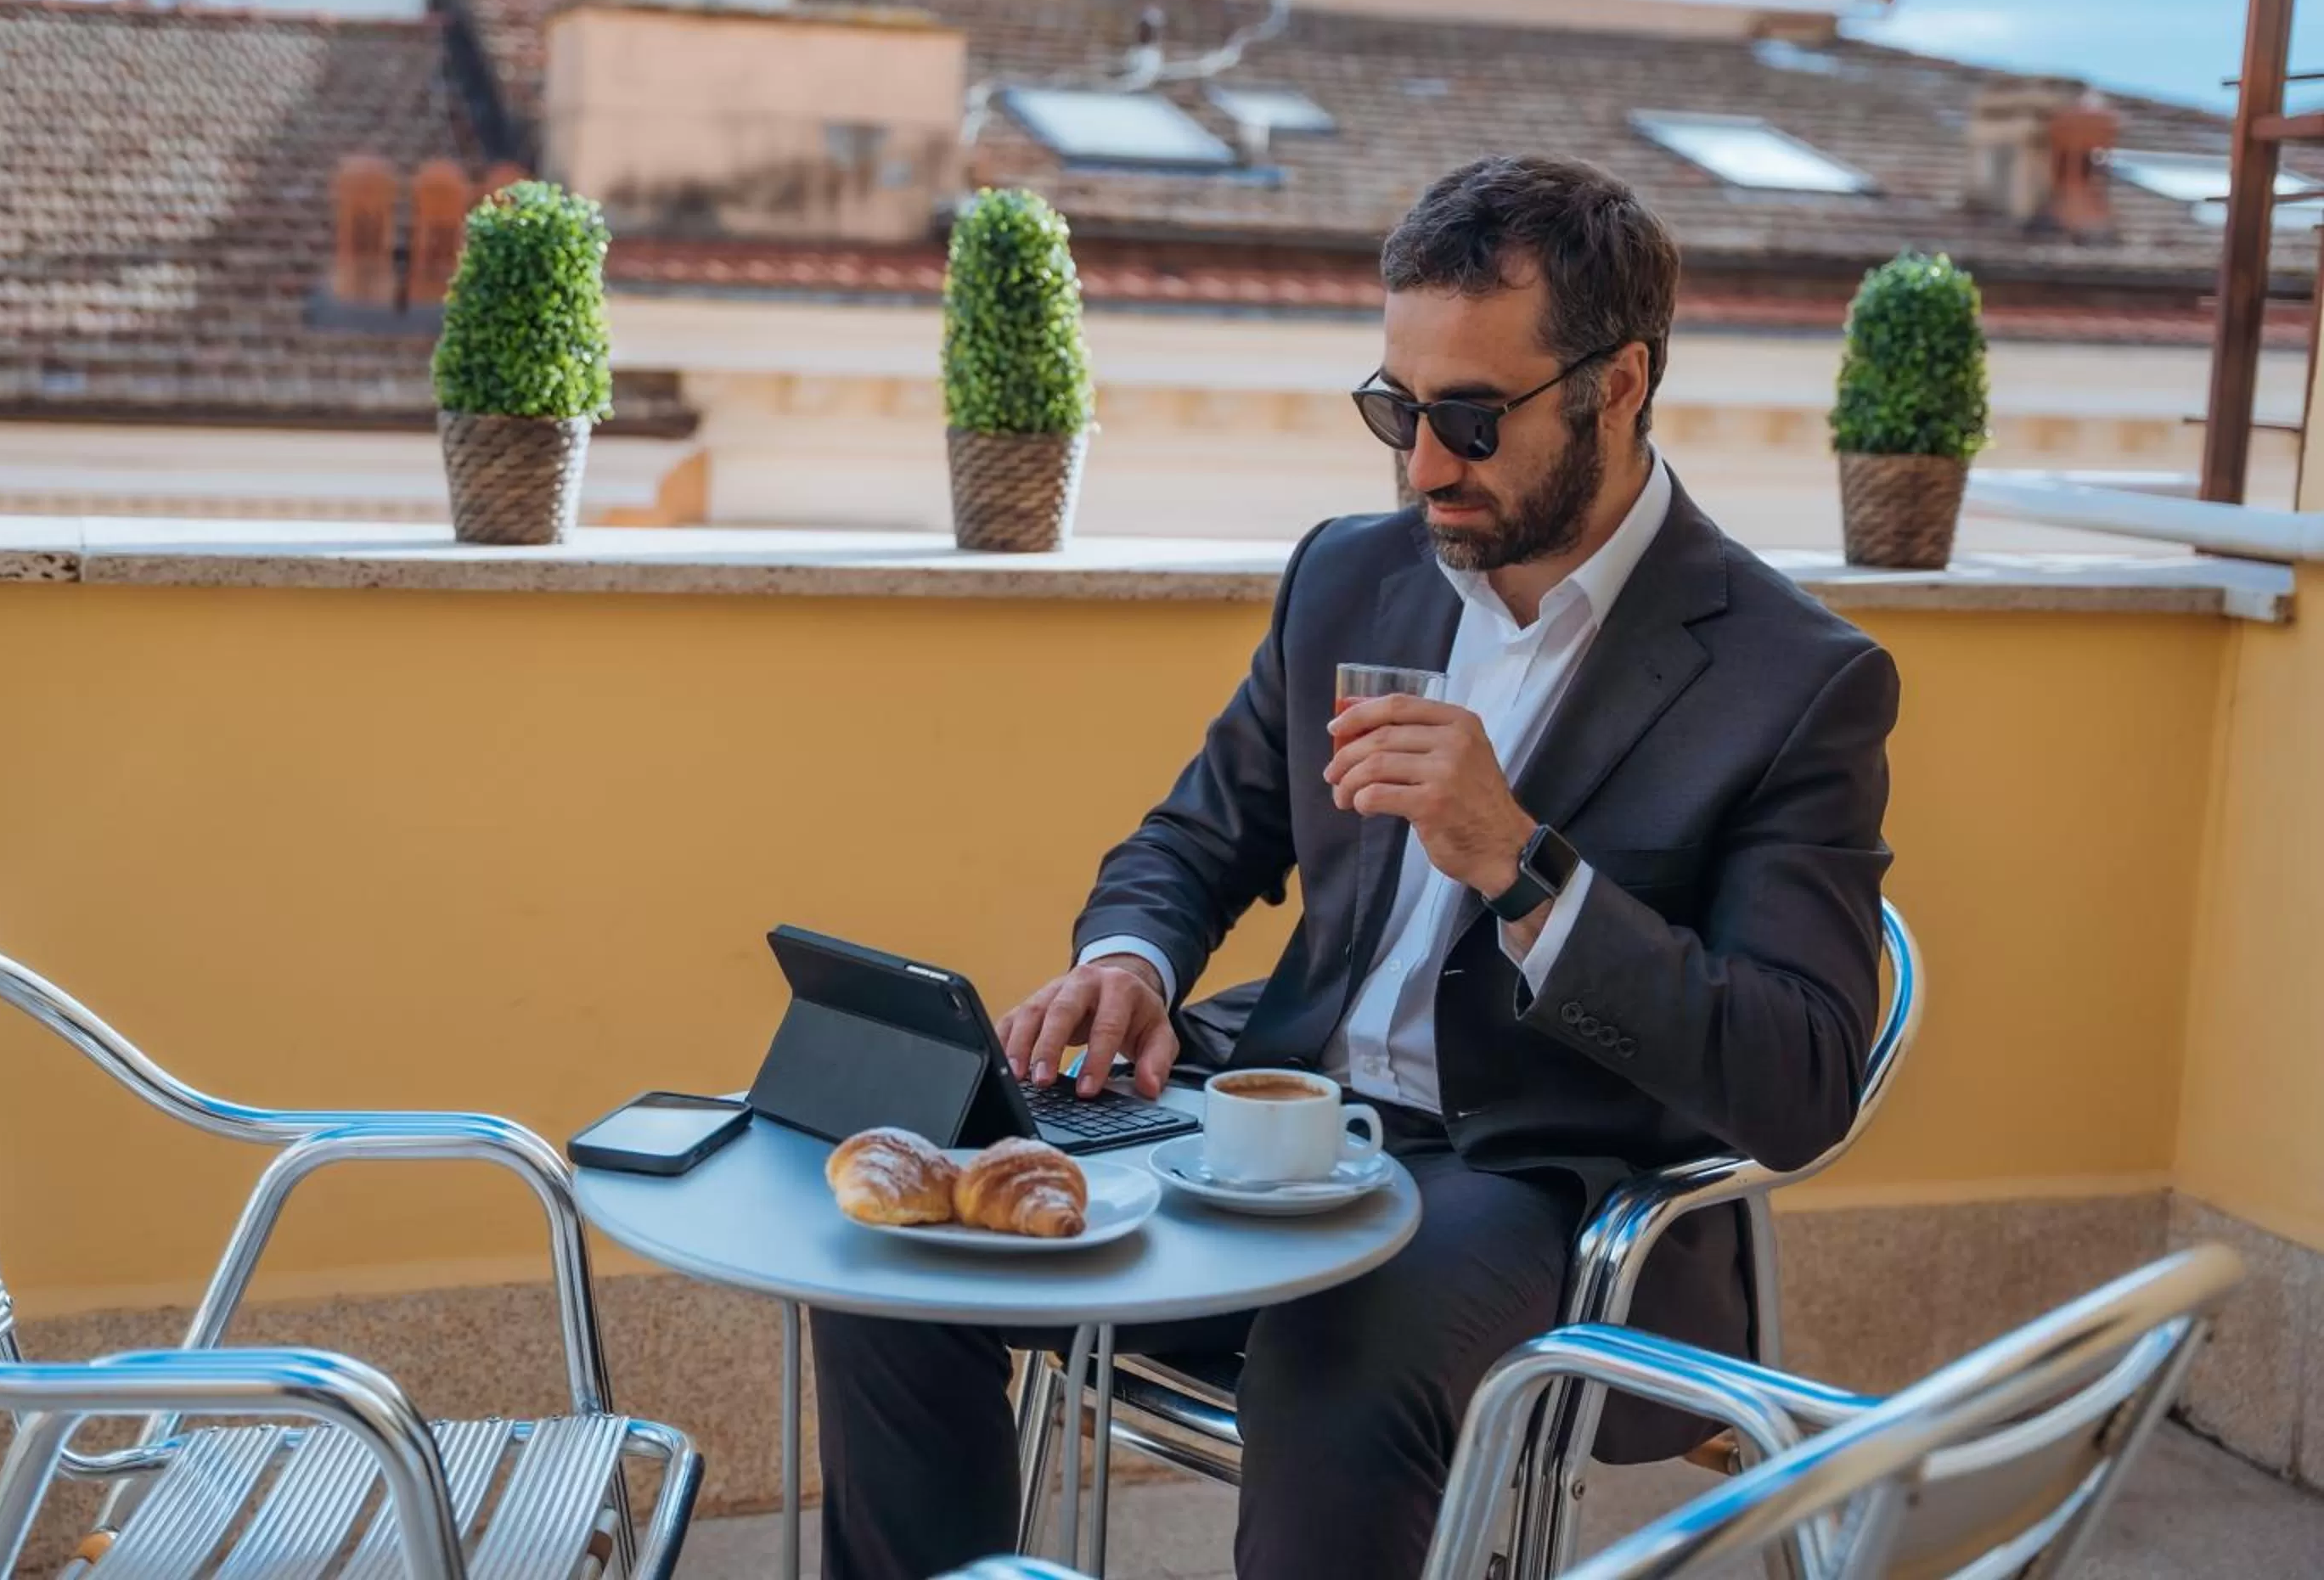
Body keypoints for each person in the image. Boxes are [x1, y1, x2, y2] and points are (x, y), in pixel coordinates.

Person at [810, 154, 1898, 1580]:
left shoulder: (1789, 677)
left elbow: (1801, 1077)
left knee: (1333, 1376)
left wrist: (1521, 866)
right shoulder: (1351, 574)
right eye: (1397, 410)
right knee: (898, 1255)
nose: (1424, 465)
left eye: (1468, 418)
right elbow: (1196, 838)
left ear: (1617, 385)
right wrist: (1125, 964)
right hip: (1268, 1107)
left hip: (1531, 1173)